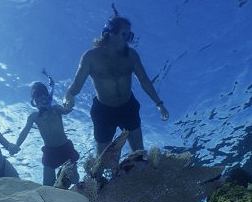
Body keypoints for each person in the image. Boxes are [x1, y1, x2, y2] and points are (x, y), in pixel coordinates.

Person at [64, 15, 169, 156]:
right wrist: (69, 96)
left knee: (139, 151)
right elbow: (76, 86)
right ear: (109, 33)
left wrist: (159, 103)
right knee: (102, 156)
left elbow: (144, 80)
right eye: (124, 34)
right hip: (103, 111)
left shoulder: (132, 56)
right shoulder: (90, 57)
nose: (128, 39)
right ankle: (100, 177)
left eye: (130, 35)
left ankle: (140, 173)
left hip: (128, 107)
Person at [14, 82, 79, 186]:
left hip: (65, 148)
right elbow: (25, 131)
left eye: (44, 95)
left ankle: (62, 175)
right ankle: (61, 176)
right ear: (34, 101)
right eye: (38, 97)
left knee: (75, 180)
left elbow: (67, 109)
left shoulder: (56, 109)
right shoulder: (34, 117)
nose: (42, 99)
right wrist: (17, 145)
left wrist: (69, 102)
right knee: (47, 187)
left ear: (48, 96)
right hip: (50, 152)